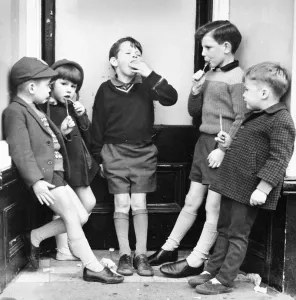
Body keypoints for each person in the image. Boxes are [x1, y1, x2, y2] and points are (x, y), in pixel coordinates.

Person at [3, 57, 123, 284]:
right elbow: (21, 151)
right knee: (72, 219)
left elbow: (49, 142)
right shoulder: (15, 111)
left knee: (79, 215)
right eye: (47, 85)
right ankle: (92, 266)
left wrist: (63, 132)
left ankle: (35, 236)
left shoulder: (33, 110)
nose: (50, 89)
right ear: (31, 87)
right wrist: (35, 181)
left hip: (56, 175)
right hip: (45, 178)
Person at [148, 20, 246, 278]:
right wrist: (195, 89)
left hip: (220, 146)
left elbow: (241, 117)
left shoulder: (237, 77)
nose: (203, 54)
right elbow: (195, 112)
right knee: (192, 200)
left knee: (212, 207)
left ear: (226, 47)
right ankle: (169, 248)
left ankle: (196, 259)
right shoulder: (210, 73)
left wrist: (224, 150)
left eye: (207, 47)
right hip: (203, 143)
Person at [193, 62, 296, 295]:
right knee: (223, 229)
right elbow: (249, 148)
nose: (243, 94)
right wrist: (227, 143)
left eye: (247, 89)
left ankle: (225, 280)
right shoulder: (256, 115)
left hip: (249, 190)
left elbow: (279, 158)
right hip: (232, 184)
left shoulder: (280, 120)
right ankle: (213, 270)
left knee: (238, 234)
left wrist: (263, 188)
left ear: (264, 93)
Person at [91, 37, 178, 277]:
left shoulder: (146, 86)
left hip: (143, 152)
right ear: (114, 61)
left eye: (137, 53)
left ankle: (141, 254)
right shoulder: (104, 89)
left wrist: (150, 73)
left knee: (139, 203)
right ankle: (124, 254)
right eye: (128, 53)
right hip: (114, 152)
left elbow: (171, 97)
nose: (134, 56)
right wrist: (99, 156)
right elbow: (97, 124)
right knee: (122, 204)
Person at [44, 59, 99, 261]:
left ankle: (65, 243)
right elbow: (50, 140)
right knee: (67, 209)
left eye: (73, 86)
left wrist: (83, 117)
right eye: (63, 84)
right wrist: (63, 132)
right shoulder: (46, 109)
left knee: (86, 204)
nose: (69, 90)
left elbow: (88, 136)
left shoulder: (70, 106)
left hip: (78, 165)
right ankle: (64, 249)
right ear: (51, 84)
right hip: (63, 167)